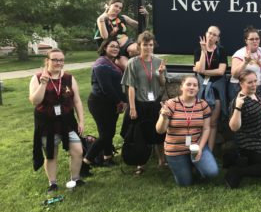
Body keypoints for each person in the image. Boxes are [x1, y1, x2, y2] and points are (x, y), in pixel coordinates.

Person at [29, 49, 86, 193]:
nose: (58, 63)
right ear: (47, 60)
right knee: (51, 154)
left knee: (78, 150)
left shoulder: (68, 78)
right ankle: (53, 183)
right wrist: (43, 84)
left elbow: (77, 101)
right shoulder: (37, 78)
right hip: (47, 123)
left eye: (61, 60)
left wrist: (81, 121)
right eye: (55, 60)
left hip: (67, 121)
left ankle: (75, 179)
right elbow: (35, 101)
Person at [156, 76, 219, 186]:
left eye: (195, 85)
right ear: (181, 87)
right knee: (185, 183)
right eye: (188, 84)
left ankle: (195, 166)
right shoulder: (171, 104)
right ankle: (186, 167)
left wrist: (200, 147)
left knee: (212, 172)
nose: (192, 87)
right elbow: (160, 130)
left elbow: (206, 128)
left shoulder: (203, 105)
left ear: (198, 89)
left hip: (195, 146)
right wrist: (164, 116)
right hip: (175, 149)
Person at [121, 31, 167, 174]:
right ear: (139, 46)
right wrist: (132, 108)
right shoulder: (132, 63)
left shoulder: (159, 61)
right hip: (139, 103)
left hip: (154, 103)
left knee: (158, 133)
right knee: (139, 134)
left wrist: (160, 74)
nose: (148, 48)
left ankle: (161, 161)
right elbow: (130, 87)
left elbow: (163, 83)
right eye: (145, 45)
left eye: (151, 45)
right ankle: (140, 164)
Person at [226, 70, 261, 189]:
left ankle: (241, 164)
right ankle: (237, 171)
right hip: (250, 145)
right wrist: (238, 107)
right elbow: (234, 127)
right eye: (250, 82)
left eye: (255, 81)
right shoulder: (238, 101)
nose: (254, 84)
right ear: (241, 83)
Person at [83, 39, 126, 169]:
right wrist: (119, 101)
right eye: (112, 46)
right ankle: (85, 163)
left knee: (109, 132)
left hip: (111, 103)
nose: (115, 49)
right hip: (99, 103)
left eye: (117, 47)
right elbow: (106, 87)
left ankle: (107, 158)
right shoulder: (101, 64)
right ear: (105, 47)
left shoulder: (111, 63)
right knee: (105, 135)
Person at [193, 25, 228, 151]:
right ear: (206, 34)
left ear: (218, 38)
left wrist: (203, 71)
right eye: (209, 33)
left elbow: (221, 72)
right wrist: (203, 52)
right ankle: (199, 149)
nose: (211, 36)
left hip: (216, 90)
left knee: (213, 123)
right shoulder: (198, 51)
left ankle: (210, 151)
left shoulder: (221, 51)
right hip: (200, 91)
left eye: (214, 35)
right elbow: (199, 68)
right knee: (200, 122)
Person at [95, 0, 149, 70]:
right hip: (115, 50)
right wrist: (102, 18)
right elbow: (105, 37)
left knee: (140, 49)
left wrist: (146, 16)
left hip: (127, 44)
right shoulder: (102, 19)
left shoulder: (123, 18)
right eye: (116, 6)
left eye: (120, 8)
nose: (118, 9)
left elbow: (142, 27)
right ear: (109, 5)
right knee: (129, 67)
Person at [229, 26, 261, 101]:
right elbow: (234, 74)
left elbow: (259, 66)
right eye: (251, 39)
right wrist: (245, 62)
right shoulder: (239, 53)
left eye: (257, 39)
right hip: (240, 88)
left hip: (257, 86)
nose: (255, 41)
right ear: (246, 41)